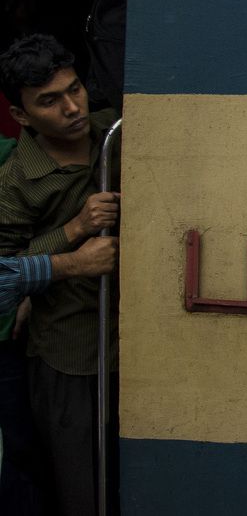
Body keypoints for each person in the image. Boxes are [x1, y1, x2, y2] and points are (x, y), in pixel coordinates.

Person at [0, 34, 121, 516]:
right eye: (49, 102)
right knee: (84, 491)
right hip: (69, 355)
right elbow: (5, 267)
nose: (71, 108)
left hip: (134, 345)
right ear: (22, 116)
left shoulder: (113, 130)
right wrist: (74, 231)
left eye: (74, 90)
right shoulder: (16, 182)